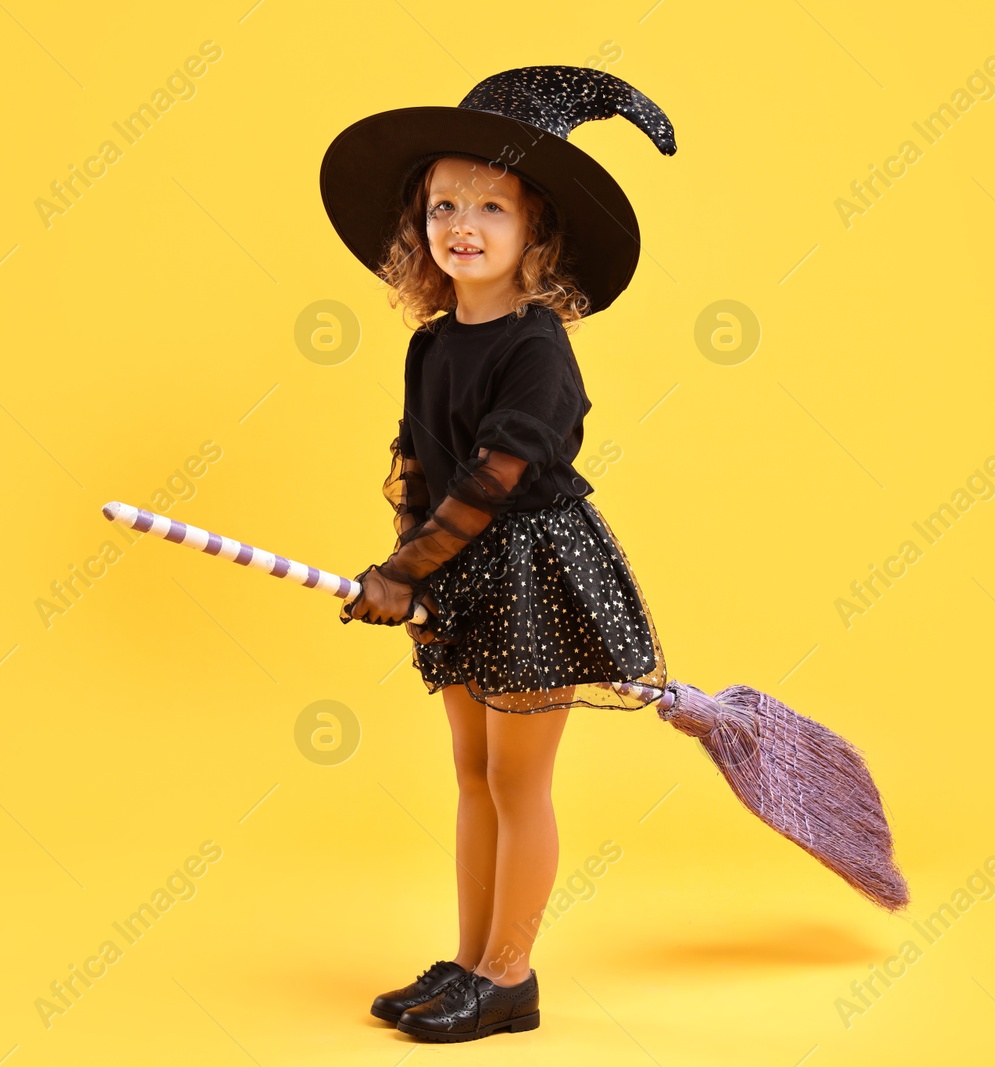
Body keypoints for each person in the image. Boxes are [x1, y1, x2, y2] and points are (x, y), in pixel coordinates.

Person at [319, 65, 677, 1043]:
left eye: (488, 206)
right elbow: (421, 464)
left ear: (537, 232)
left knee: (519, 780)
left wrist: (407, 571)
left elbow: (495, 474)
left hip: (532, 575)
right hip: (460, 572)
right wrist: (403, 558)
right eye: (442, 205)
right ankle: (471, 958)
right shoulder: (433, 343)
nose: (460, 225)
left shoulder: (537, 346)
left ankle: (509, 972)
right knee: (471, 772)